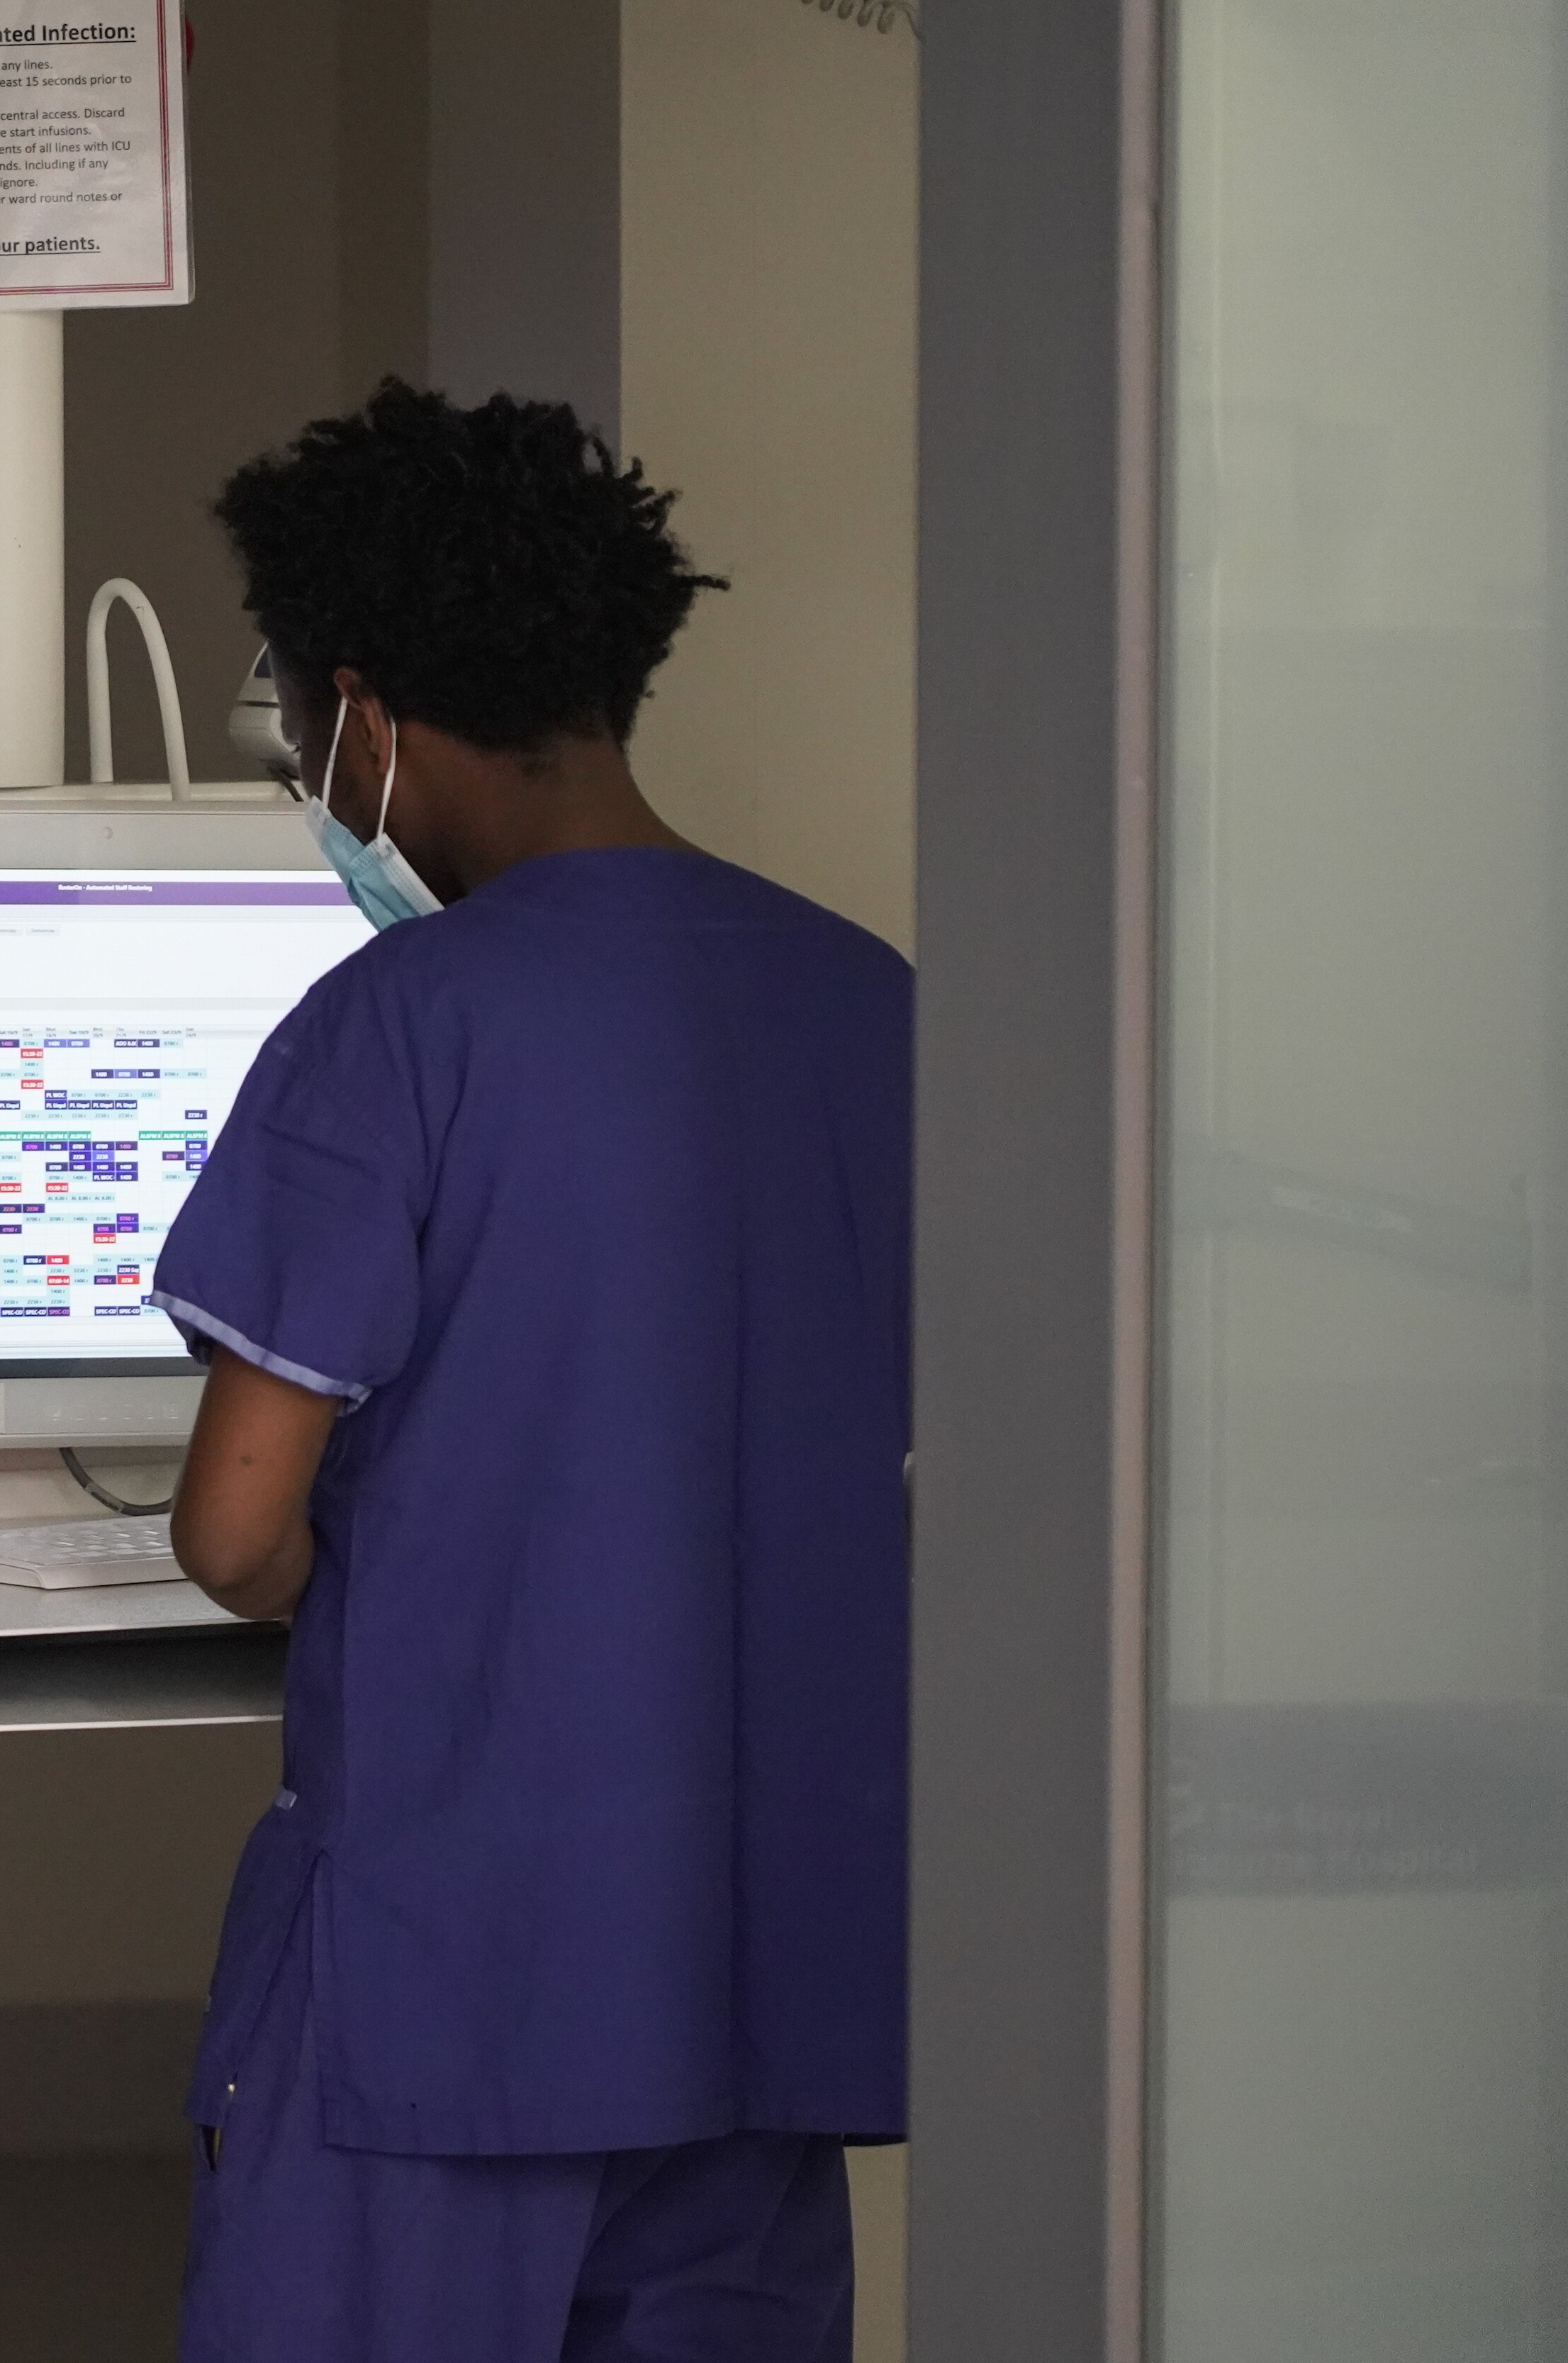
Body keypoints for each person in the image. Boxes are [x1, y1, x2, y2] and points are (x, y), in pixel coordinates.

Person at [150, 384, 909, 2362]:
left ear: (365, 719)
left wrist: (400, 1578)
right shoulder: (873, 1006)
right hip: (758, 1982)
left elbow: (235, 1527)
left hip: (448, 1992)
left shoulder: (393, 1030)